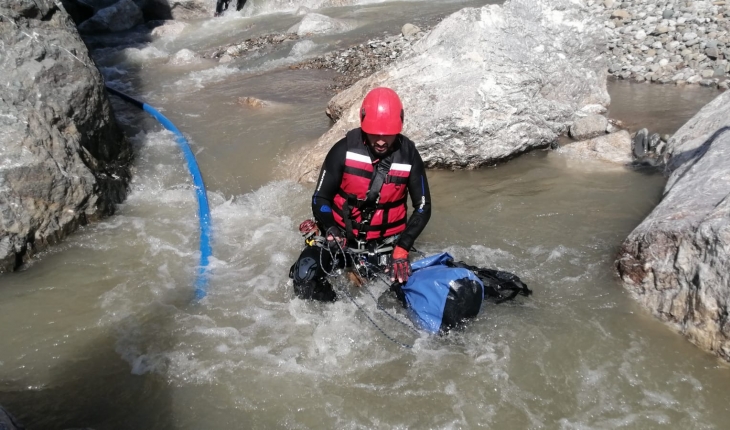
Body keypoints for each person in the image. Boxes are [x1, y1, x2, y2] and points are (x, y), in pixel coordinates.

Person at [290, 87, 432, 301]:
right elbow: (320, 198)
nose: (382, 142)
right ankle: (335, 312)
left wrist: (403, 248)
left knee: (404, 295)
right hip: (341, 242)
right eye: (375, 134)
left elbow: (423, 207)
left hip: (386, 246)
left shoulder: (409, 154)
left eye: (388, 135)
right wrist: (330, 228)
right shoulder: (342, 150)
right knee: (304, 276)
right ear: (364, 125)